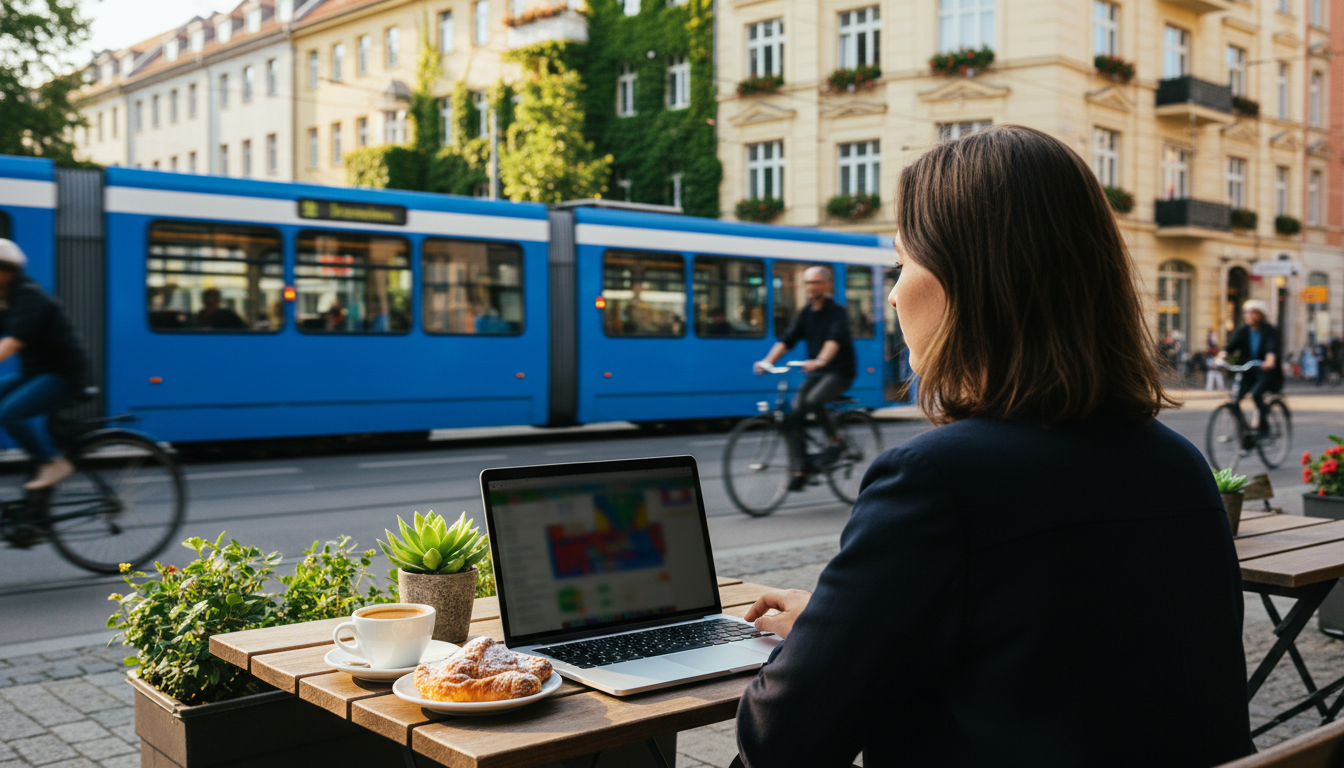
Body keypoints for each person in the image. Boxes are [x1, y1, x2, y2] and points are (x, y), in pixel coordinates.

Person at [735, 126, 1251, 767]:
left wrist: (815, 644)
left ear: (968, 279)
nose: (893, 293)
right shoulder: (1179, 465)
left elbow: (782, 740)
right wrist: (838, 624)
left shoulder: (935, 478)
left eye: (903, 264)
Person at [753, 267, 857, 491]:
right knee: (795, 410)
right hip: (818, 371)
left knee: (814, 400)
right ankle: (800, 468)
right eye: (808, 283)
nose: (812, 287)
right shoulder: (806, 313)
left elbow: (833, 340)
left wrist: (820, 360)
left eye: (817, 282)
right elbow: (787, 339)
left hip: (840, 371)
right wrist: (767, 361)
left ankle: (836, 441)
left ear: (827, 285)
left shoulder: (836, 312)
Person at [0, 240, 89, 490]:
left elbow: (13, 342)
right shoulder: (5, 299)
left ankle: (51, 462)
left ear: (6, 272)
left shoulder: (28, 294)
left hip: (63, 374)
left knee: (10, 413)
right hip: (34, 372)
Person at [1220, 299, 1283, 439]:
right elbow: (1231, 346)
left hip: (1266, 373)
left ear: (1261, 315)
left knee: (1256, 394)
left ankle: (1263, 428)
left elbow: (1271, 348)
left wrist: (1269, 360)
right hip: (1248, 372)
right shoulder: (1243, 330)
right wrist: (1221, 357)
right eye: (1246, 312)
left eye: (1253, 312)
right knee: (1234, 399)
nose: (1249, 315)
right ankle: (1244, 432)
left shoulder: (1270, 331)